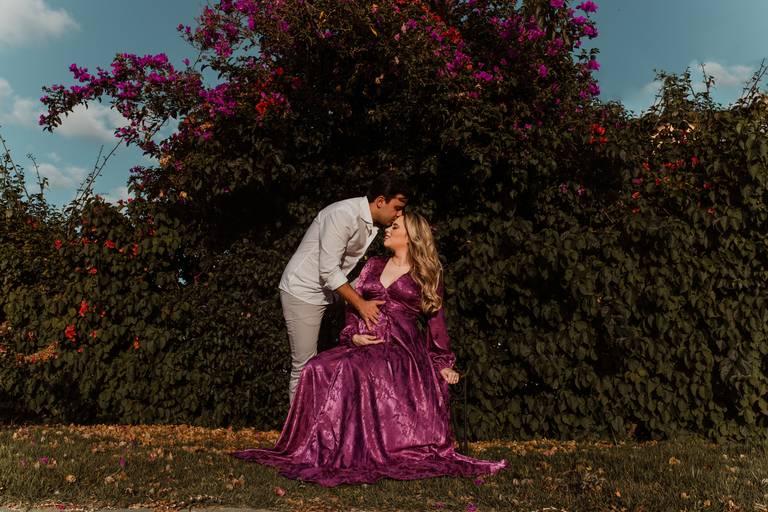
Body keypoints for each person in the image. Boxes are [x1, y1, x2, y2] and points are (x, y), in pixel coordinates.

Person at [232, 212, 507, 486]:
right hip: (365, 341)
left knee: (353, 369)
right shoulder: (373, 265)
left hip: (400, 348)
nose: (387, 229)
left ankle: (350, 448)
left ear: (411, 236)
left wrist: (442, 362)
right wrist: (353, 335)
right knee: (316, 367)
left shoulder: (426, 274)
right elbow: (353, 306)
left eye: (395, 227)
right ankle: (314, 446)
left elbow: (436, 322)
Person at [279, 174, 409, 403]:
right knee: (305, 365)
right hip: (303, 291)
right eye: (397, 208)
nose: (399, 214)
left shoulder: (372, 224)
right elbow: (329, 270)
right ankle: (298, 425)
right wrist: (361, 304)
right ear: (380, 201)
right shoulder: (343, 214)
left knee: (335, 357)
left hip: (331, 292)